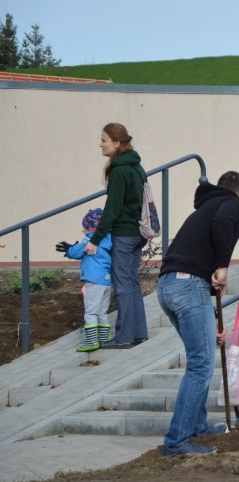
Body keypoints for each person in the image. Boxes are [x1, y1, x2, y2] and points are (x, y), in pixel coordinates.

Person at [158, 171, 239, 457]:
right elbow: (224, 223)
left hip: (170, 286)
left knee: (201, 357)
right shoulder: (231, 203)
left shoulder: (206, 207)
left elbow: (196, 269)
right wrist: (223, 265)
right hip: (187, 287)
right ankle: (177, 441)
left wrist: (211, 320)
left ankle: (196, 425)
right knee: (201, 365)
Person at [84, 123, 148, 349]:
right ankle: (139, 333)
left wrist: (95, 239)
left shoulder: (120, 170)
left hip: (124, 234)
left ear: (117, 143)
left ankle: (125, 337)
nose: (100, 144)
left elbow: (112, 210)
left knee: (122, 285)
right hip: (138, 233)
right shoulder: (136, 166)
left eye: (104, 140)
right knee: (131, 283)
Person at [56, 208, 113, 352]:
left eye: (83, 228)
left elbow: (76, 252)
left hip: (93, 280)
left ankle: (91, 341)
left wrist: (70, 249)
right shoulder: (108, 239)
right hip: (106, 281)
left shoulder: (90, 240)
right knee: (102, 311)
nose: (83, 231)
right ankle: (104, 338)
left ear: (89, 227)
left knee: (90, 311)